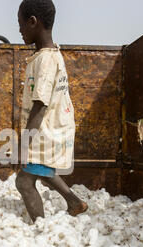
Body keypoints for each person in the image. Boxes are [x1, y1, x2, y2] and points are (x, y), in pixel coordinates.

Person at [15, 0, 89, 222]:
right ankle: (74, 202)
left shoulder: (46, 60)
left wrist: (23, 145)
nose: (19, 30)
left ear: (33, 22)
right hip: (51, 128)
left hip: (45, 131)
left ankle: (41, 228)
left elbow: (40, 105)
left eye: (20, 24)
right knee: (42, 170)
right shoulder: (49, 54)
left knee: (24, 181)